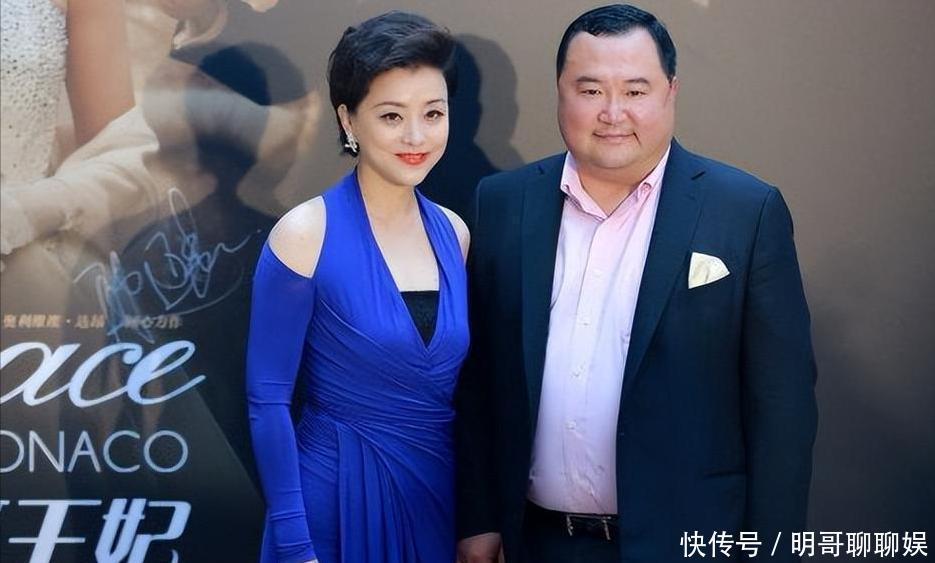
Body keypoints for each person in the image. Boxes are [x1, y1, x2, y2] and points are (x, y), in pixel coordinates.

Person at [455, 4, 817, 562]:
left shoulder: (744, 212)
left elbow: (782, 408)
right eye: (591, 90)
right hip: (537, 542)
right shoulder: (503, 204)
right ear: (560, 92)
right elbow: (478, 379)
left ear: (671, 91)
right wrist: (479, 519)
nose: (613, 113)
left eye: (635, 90)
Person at [246, 11, 470, 563]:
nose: (416, 136)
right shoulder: (305, 233)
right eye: (391, 115)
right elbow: (267, 401)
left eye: (433, 113)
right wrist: (295, 545)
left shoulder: (456, 235)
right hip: (334, 505)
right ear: (348, 119)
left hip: (438, 502)